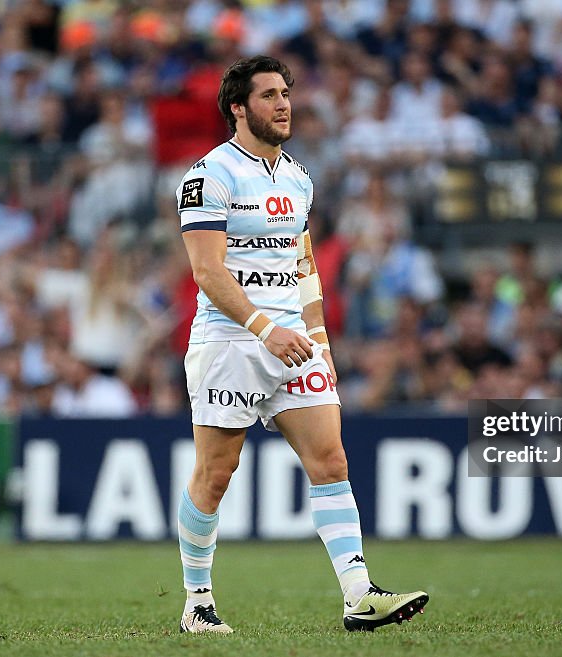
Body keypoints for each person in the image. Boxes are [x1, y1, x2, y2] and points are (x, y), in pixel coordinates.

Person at [173, 55, 429, 635]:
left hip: (294, 343)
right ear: (238, 108)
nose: (283, 103)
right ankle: (197, 602)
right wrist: (268, 329)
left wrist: (316, 336)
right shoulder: (209, 176)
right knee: (217, 472)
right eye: (268, 95)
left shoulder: (299, 177)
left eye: (285, 93)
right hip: (231, 343)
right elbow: (208, 273)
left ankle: (359, 596)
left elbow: (303, 262)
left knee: (331, 460)